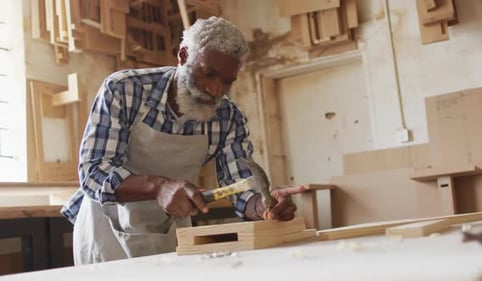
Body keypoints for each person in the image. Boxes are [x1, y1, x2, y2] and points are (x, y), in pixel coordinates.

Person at [61, 16, 305, 265]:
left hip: (166, 231)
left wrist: (263, 206)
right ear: (183, 55)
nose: (216, 90)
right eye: (208, 73)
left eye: (227, 81)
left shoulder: (228, 117)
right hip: (106, 233)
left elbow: (240, 185)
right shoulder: (124, 90)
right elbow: (93, 172)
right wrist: (159, 186)